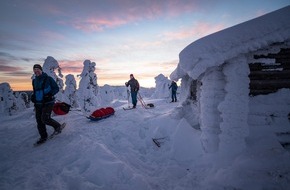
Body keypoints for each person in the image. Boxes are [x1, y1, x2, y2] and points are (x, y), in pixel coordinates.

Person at [31, 64, 63, 145]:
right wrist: (33, 97)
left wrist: (50, 94)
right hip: (38, 103)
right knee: (39, 121)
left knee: (45, 118)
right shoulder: (34, 81)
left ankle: (57, 126)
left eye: (38, 69)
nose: (36, 71)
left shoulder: (48, 79)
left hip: (48, 102)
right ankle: (43, 137)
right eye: (35, 69)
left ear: (41, 70)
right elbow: (36, 91)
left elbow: (56, 88)